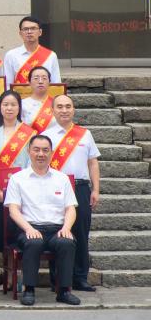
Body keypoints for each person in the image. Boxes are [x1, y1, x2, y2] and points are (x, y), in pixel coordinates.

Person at [4, 135, 81, 306]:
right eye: (36, 150)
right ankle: (29, 289)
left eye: (45, 150)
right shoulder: (18, 178)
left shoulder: (62, 178)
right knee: (34, 242)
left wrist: (66, 228)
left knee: (67, 242)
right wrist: (28, 229)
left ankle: (64, 291)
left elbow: (70, 208)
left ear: (51, 153)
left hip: (57, 229)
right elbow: (13, 210)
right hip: (29, 227)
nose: (41, 154)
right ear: (29, 151)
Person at [44, 94, 101, 292]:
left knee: (81, 232)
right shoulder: (46, 135)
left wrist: (96, 189)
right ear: (52, 110)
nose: (64, 110)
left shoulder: (85, 134)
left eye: (68, 106)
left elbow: (93, 162)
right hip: (56, 188)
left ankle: (80, 277)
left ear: (73, 109)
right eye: (59, 106)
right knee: (57, 231)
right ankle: (58, 278)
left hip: (81, 187)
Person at [0, 90, 35, 252]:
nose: (9, 108)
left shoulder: (29, 133)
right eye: (5, 104)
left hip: (21, 191)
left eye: (13, 104)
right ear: (0, 107)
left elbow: (30, 163)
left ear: (19, 108)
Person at [4, 16, 61, 86]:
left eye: (33, 28)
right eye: (25, 29)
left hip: (44, 93)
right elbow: (7, 84)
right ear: (20, 33)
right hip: (19, 93)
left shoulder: (51, 56)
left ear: (40, 32)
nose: (29, 32)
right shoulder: (11, 55)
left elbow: (56, 84)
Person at [21, 65, 55, 132]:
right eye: (36, 78)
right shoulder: (22, 104)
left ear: (49, 82)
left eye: (44, 78)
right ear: (29, 82)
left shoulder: (56, 103)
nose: (40, 81)